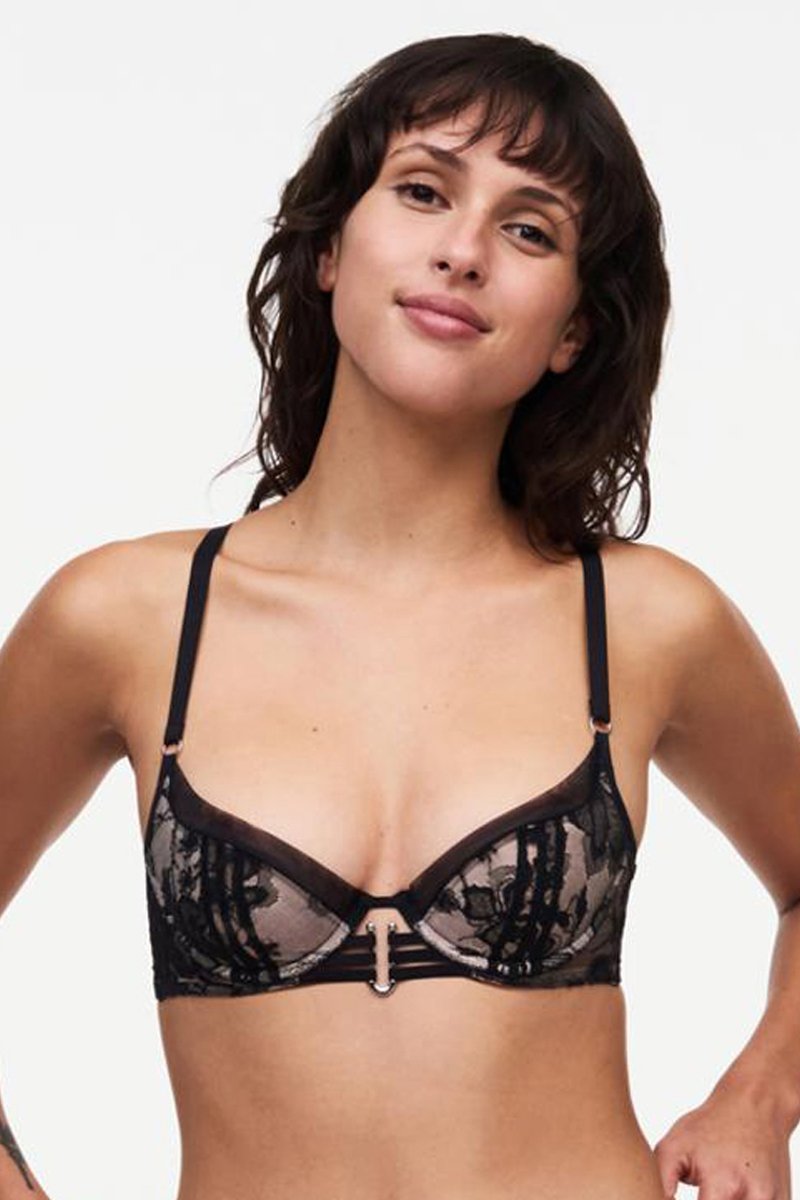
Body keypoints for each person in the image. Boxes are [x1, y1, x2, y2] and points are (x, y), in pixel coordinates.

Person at [0, 30, 798, 1200]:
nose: (462, 252)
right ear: (329, 248)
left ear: (573, 330)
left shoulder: (644, 620)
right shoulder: (123, 618)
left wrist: (756, 1100)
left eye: (530, 231)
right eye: (423, 191)